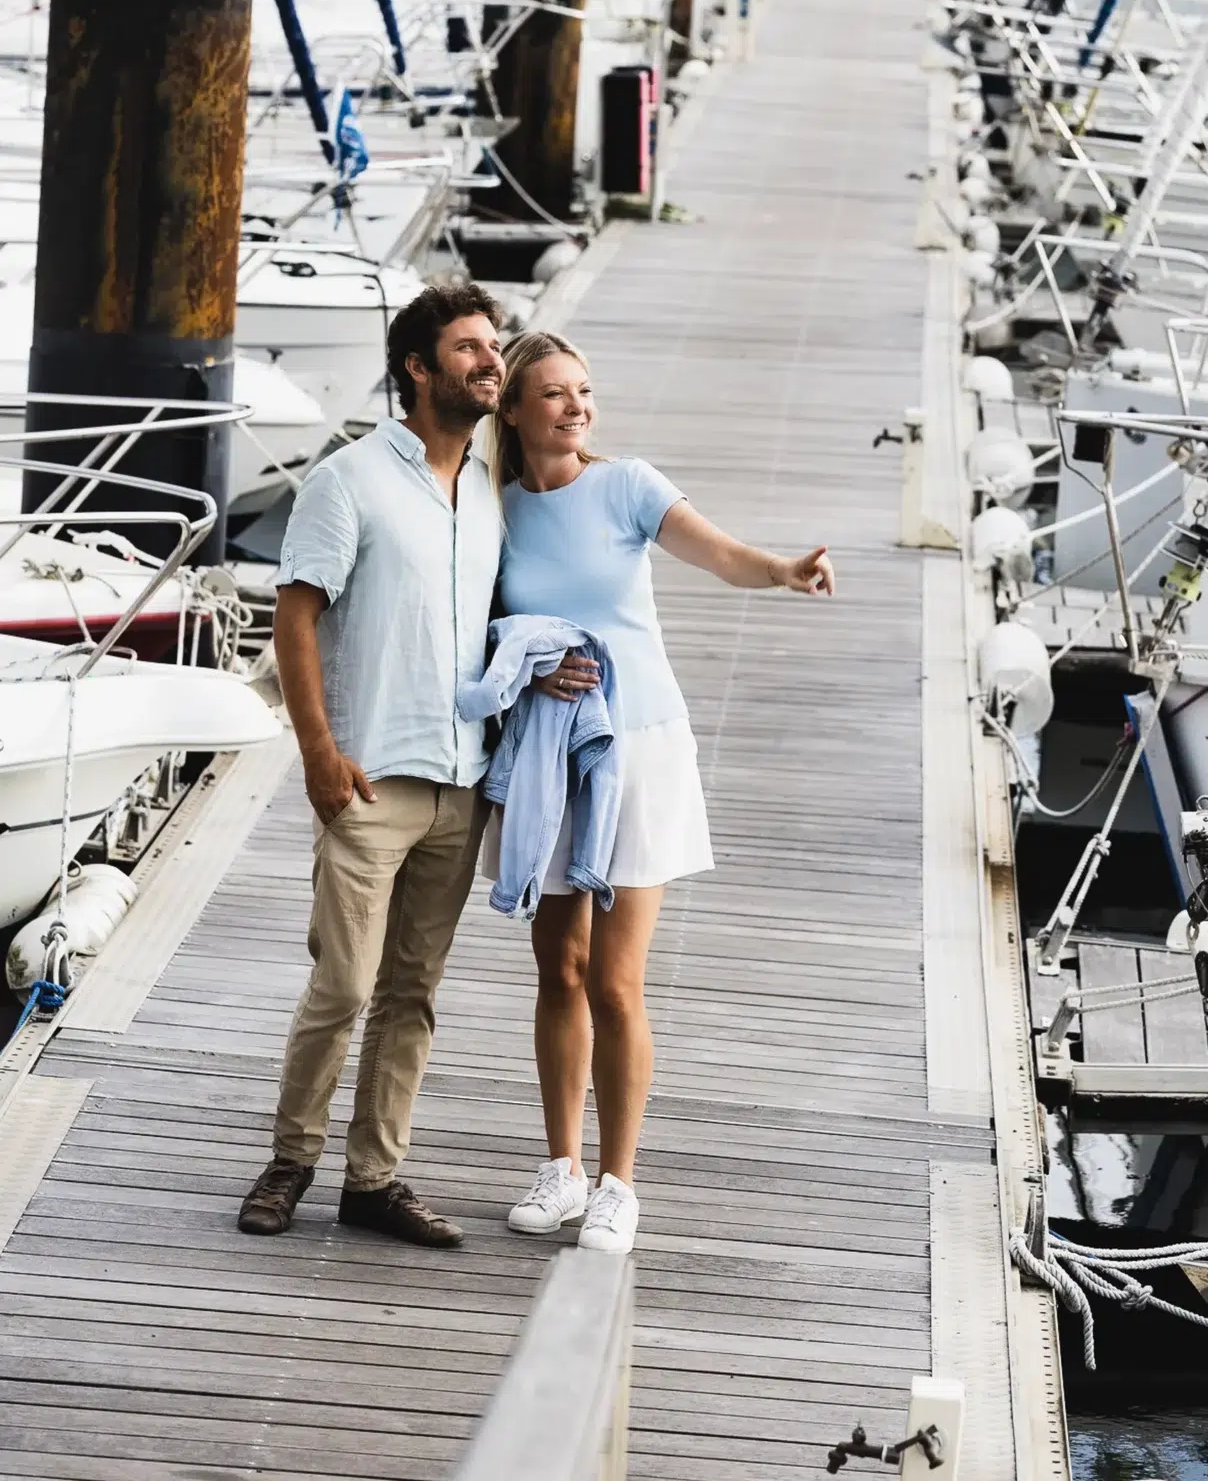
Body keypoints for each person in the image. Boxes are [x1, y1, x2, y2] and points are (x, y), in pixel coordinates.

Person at [488, 330, 834, 1253]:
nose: (575, 407)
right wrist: (522, 670)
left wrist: (785, 571)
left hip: (638, 749)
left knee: (614, 977)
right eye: (554, 393)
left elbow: (721, 556)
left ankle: (617, 1182)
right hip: (544, 754)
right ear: (513, 410)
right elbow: (475, 623)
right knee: (555, 968)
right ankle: (559, 1169)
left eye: (585, 391)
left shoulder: (629, 484)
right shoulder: (493, 506)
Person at [237, 282, 504, 1247]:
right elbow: (297, 614)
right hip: (367, 778)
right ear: (417, 369)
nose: (490, 359)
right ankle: (291, 1160)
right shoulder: (347, 480)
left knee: (412, 994)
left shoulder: (485, 483)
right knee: (345, 985)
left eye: (494, 344)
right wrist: (318, 753)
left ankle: (372, 1179)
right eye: (469, 347)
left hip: (462, 780)